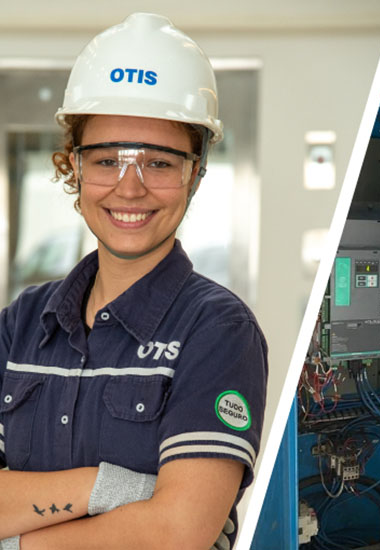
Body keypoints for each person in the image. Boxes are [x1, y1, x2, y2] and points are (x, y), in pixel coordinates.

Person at [0, 13, 267, 550]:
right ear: (74, 168)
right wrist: (108, 488)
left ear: (195, 173)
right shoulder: (21, 324)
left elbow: (178, 533)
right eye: (106, 160)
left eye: (160, 163)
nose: (130, 188)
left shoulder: (219, 330)